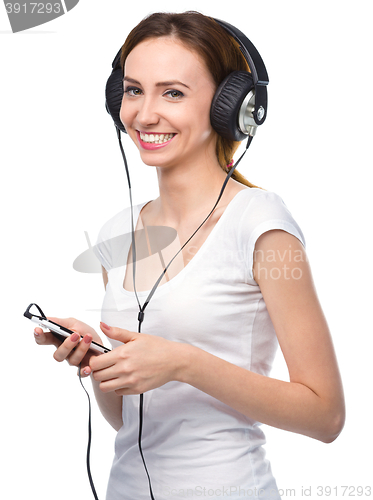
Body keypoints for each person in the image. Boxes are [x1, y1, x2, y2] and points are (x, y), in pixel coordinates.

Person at [33, 11, 345, 500]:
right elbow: (127, 421)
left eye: (172, 92)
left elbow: (325, 416)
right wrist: (100, 363)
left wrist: (185, 364)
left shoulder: (261, 225)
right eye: (133, 90)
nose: (144, 114)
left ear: (230, 107)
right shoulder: (119, 232)